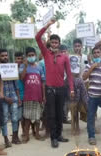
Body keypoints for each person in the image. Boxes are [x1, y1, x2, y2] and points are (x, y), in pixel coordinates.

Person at [36, 19, 74, 148]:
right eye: (52, 42)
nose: (54, 43)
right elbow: (37, 37)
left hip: (61, 88)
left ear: (59, 43)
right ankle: (53, 138)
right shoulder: (46, 54)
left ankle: (59, 135)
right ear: (49, 43)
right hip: (50, 88)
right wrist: (47, 26)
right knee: (51, 114)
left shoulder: (64, 57)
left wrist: (72, 89)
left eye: (56, 42)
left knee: (60, 113)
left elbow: (69, 74)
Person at [20, 47, 46, 142]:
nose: (31, 57)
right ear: (26, 57)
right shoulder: (23, 67)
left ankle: (37, 133)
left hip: (38, 95)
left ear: (35, 55)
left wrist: (44, 96)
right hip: (28, 96)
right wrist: (26, 67)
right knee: (27, 117)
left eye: (32, 55)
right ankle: (26, 135)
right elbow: (21, 77)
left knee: (37, 116)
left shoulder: (39, 67)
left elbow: (43, 82)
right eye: (29, 56)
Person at [0, 49, 21, 147]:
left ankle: (15, 137)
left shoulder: (12, 68)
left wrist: (19, 98)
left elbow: (16, 85)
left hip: (14, 98)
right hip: (2, 99)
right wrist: (4, 97)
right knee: (4, 119)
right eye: (3, 56)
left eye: (6, 55)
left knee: (15, 118)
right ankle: (6, 139)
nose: (5, 57)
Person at [69, 54, 88, 135]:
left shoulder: (80, 80)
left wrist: (86, 102)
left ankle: (77, 126)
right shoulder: (68, 80)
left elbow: (83, 92)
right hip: (71, 99)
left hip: (79, 98)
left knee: (77, 112)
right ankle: (73, 127)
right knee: (73, 113)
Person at [15, 51, 25, 139]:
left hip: (25, 93)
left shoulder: (24, 67)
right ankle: (16, 134)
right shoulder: (11, 68)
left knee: (24, 116)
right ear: (15, 59)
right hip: (16, 95)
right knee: (18, 116)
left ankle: (25, 132)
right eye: (18, 59)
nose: (20, 60)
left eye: (22, 59)